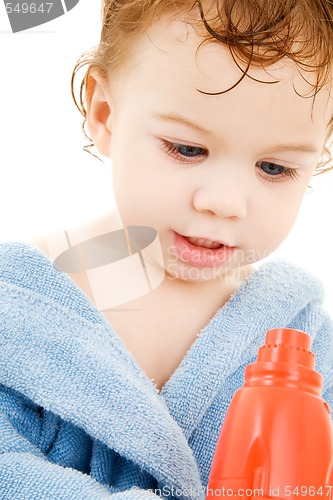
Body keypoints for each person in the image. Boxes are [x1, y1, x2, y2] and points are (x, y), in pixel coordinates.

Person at [1, 0, 333, 498]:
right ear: (105, 114)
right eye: (187, 149)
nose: (224, 202)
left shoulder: (305, 339)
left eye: (274, 168)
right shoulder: (22, 308)